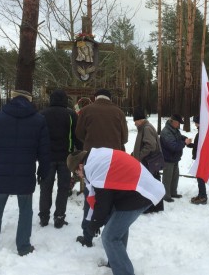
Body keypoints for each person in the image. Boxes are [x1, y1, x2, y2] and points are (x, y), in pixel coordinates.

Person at [66, 148, 165, 275]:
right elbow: (104, 197)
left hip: (139, 194)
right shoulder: (95, 158)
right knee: (116, 229)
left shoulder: (94, 168)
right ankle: (115, 263)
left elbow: (103, 203)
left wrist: (94, 224)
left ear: (80, 166)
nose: (78, 176)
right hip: (132, 192)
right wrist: (97, 220)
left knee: (109, 237)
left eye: (76, 173)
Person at [0, 90, 50, 257]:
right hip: (25, 173)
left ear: (12, 99)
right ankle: (23, 246)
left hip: (0, 172)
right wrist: (43, 171)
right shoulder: (39, 120)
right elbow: (44, 151)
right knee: (26, 211)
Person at [75, 88, 128, 247]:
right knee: (111, 198)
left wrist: (91, 142)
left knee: (91, 196)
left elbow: (79, 133)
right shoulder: (119, 112)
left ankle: (88, 235)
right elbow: (124, 138)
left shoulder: (86, 110)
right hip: (114, 162)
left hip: (92, 160)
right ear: (110, 98)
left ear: (95, 97)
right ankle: (110, 234)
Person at [38, 89, 81, 228]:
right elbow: (77, 136)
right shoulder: (71, 114)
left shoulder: (42, 114)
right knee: (63, 189)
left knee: (46, 188)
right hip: (66, 158)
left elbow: (37, 137)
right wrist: (80, 154)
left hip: (47, 157)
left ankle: (44, 217)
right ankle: (59, 217)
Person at [132, 108, 164, 213]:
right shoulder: (144, 127)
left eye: (135, 121)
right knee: (153, 184)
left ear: (140, 120)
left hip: (148, 162)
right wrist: (134, 154)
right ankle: (155, 206)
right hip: (149, 162)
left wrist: (139, 156)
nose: (134, 123)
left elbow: (150, 145)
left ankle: (152, 207)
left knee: (150, 184)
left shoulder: (146, 128)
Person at [160, 114, 192, 202]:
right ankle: (166, 195)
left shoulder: (174, 129)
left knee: (175, 176)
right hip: (168, 158)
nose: (179, 125)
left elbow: (179, 137)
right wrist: (185, 143)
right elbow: (173, 146)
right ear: (173, 121)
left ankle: (173, 192)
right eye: (178, 123)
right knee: (167, 177)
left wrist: (185, 139)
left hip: (174, 158)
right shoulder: (166, 131)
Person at [189, 115, 207, 205]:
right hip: (200, 157)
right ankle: (201, 194)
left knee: (200, 177)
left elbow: (200, 146)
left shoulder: (202, 133)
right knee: (200, 177)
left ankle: (203, 196)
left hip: (201, 158)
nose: (195, 125)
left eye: (196, 123)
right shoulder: (202, 132)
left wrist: (190, 145)